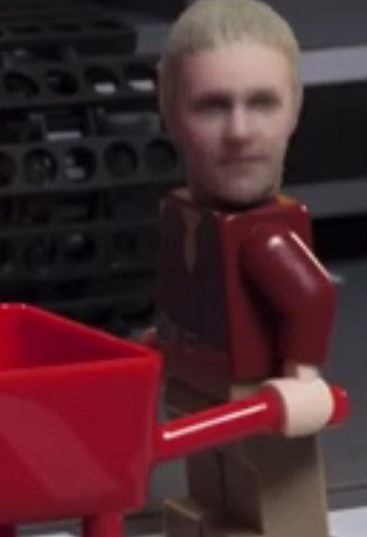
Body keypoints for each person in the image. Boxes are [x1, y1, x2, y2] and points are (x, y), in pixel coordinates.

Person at [152, 0, 337, 536]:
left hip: (263, 404)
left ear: (295, 107)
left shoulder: (265, 237)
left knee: (278, 516)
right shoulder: (186, 218)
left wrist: (301, 378)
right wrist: (164, 343)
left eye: (262, 103)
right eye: (212, 106)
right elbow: (186, 286)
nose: (239, 131)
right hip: (196, 391)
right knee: (208, 500)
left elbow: (312, 296)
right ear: (169, 107)